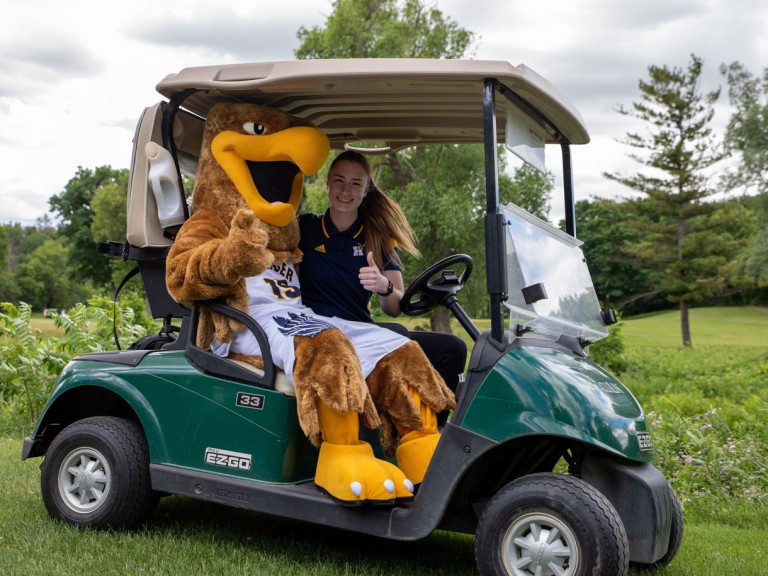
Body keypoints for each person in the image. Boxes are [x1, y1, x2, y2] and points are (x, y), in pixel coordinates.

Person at [298, 150, 467, 426]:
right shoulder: (306, 228)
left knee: (453, 348)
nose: (345, 190)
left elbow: (395, 306)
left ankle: (428, 432)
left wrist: (383, 285)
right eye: (339, 180)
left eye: (355, 184)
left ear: (365, 191)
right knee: (399, 335)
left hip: (360, 332)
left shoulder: (377, 237)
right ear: (328, 183)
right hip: (317, 332)